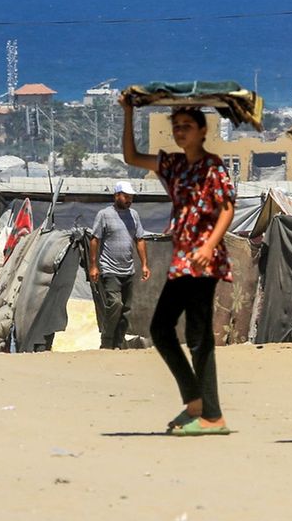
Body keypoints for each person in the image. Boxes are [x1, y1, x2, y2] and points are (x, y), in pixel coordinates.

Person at [120, 95, 235, 436]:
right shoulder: (173, 165)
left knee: (199, 336)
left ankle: (213, 416)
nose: (180, 132)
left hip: (205, 260)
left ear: (202, 130)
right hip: (182, 260)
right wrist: (129, 113)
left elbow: (227, 208)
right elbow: (131, 156)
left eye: (187, 126)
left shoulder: (213, 166)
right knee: (161, 329)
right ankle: (195, 402)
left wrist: (209, 245)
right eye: (176, 127)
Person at [88, 180, 151, 349]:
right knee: (115, 303)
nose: (129, 200)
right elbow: (95, 239)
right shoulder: (104, 215)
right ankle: (107, 342)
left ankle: (118, 342)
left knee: (126, 310)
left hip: (128, 270)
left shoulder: (134, 215)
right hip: (109, 269)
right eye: (126, 196)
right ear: (117, 196)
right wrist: (93, 266)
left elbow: (140, 239)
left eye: (131, 197)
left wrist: (144, 264)